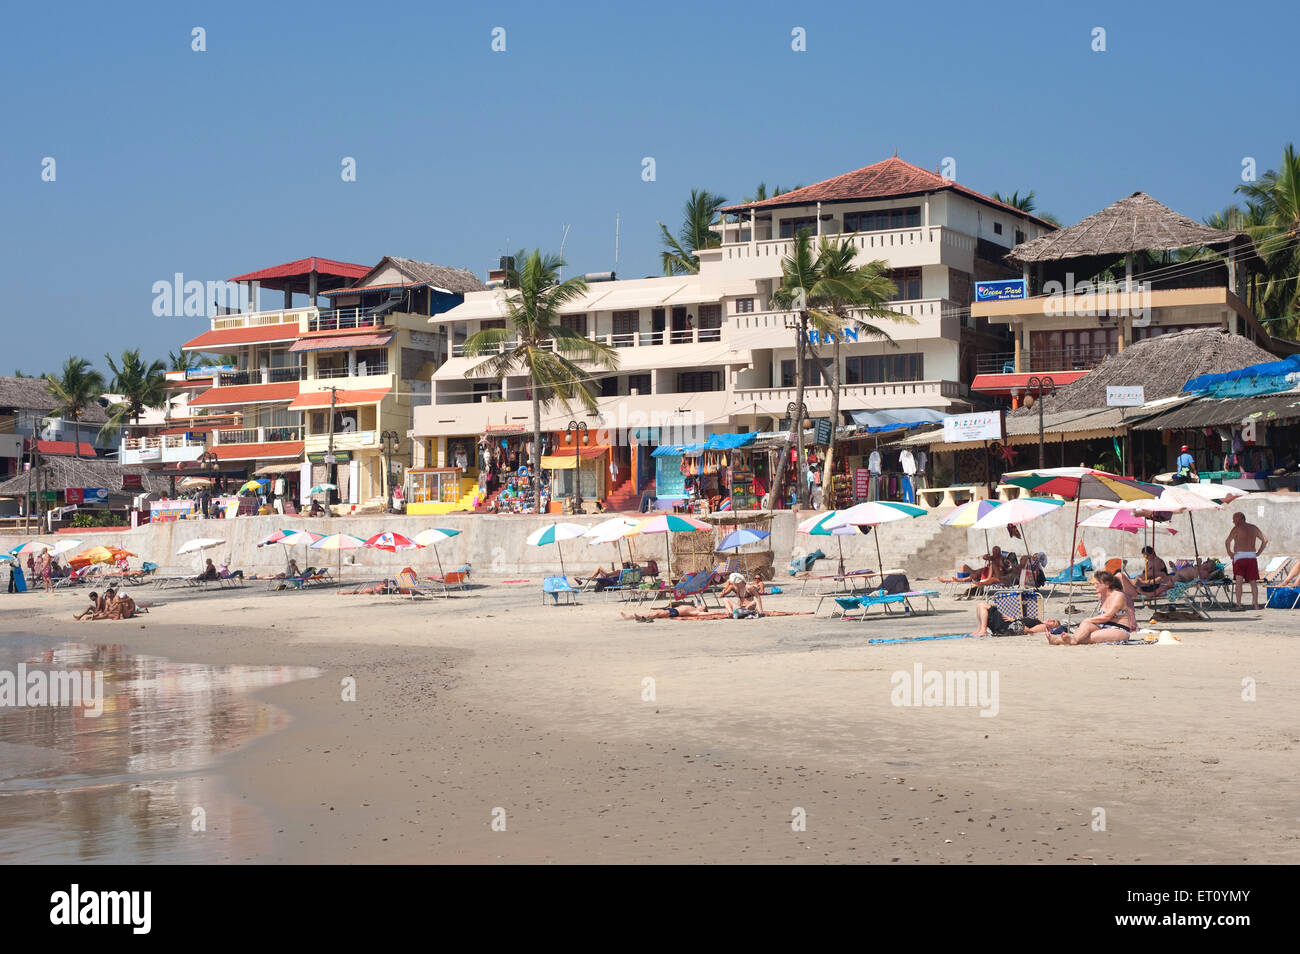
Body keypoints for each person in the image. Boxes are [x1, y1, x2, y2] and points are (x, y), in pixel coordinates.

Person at [1050, 571, 1135, 645]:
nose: (1094, 585)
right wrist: (1086, 622)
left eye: (1097, 583)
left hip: (1119, 629)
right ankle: (1073, 639)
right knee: (1085, 625)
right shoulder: (1102, 595)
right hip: (1103, 626)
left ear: (1106, 584)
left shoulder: (1118, 595)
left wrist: (1088, 620)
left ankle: (1059, 640)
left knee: (1092, 636)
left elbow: (1107, 616)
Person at [1225, 511, 1268, 610]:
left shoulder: (1236, 528)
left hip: (1240, 557)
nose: (1233, 522)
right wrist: (1258, 553)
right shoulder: (1254, 528)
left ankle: (1239, 604)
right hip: (1252, 557)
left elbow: (1227, 542)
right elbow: (1265, 540)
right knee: (1253, 582)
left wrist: (1230, 553)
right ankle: (1256, 605)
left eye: (1235, 519)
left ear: (1241, 519)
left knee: (1239, 582)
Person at [971, 600, 1061, 637]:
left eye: (1054, 623)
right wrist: (1013, 619)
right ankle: (980, 630)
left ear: (1052, 628)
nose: (1052, 620)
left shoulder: (1044, 626)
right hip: (1007, 623)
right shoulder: (1039, 621)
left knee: (982, 605)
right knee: (980, 606)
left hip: (1006, 626)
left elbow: (1029, 630)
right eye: (1054, 619)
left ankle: (983, 630)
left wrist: (1014, 620)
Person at [621, 602, 711, 621]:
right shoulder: (693, 607)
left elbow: (708, 614)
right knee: (654, 611)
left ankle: (640, 617)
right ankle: (631, 616)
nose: (701, 605)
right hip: (671, 609)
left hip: (674, 612)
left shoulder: (697, 612)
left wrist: (723, 613)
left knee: (656, 614)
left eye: (703, 606)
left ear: (702, 609)